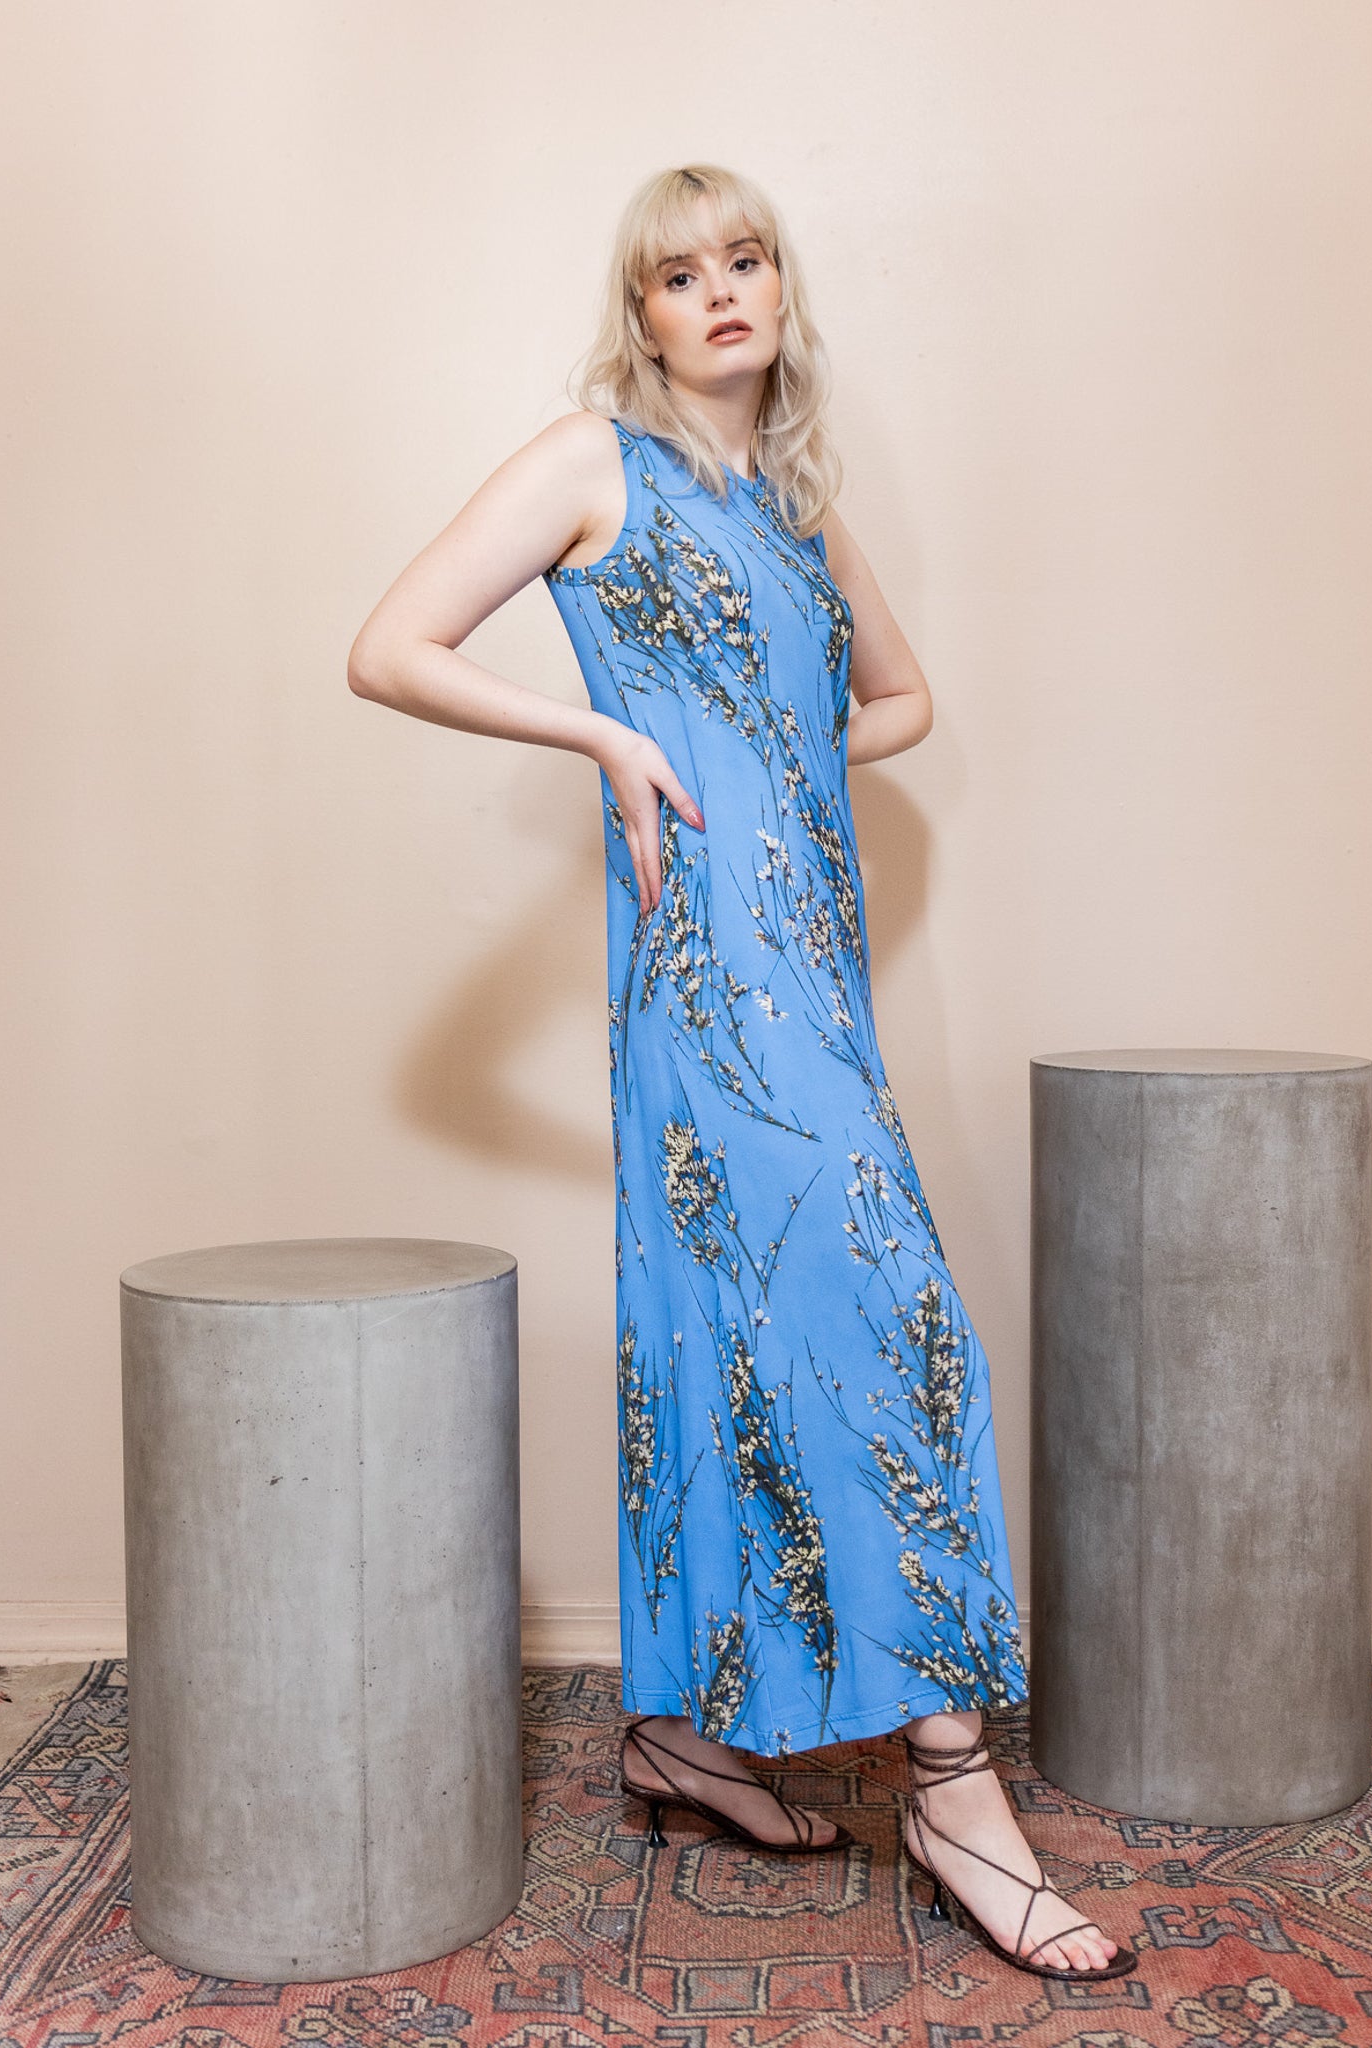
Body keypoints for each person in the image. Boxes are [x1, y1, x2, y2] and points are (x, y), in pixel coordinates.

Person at [347, 162, 1136, 1983]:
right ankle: (952, 1789)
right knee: (892, 1314)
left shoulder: (796, 503)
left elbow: (903, 699)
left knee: (733, 1330)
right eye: (678, 272)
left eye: (747, 258)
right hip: (707, 980)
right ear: (640, 313)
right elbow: (387, 649)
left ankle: (683, 1736)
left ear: (782, 289)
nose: (719, 292)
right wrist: (609, 735)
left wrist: (778, 760)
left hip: (816, 974)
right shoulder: (592, 463)